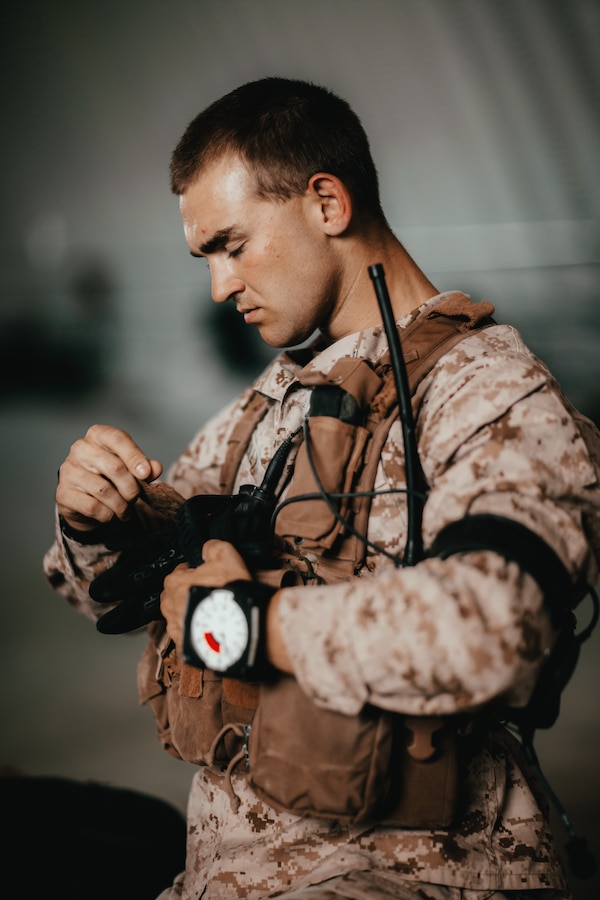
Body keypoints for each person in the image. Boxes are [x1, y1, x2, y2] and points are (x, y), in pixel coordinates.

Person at [43, 77, 600, 900]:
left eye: (233, 246)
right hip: (224, 874)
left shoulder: (488, 392)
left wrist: (241, 627)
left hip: (406, 873)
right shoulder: (273, 403)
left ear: (328, 204)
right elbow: (101, 594)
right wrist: (91, 516)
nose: (219, 286)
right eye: (206, 258)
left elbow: (496, 624)